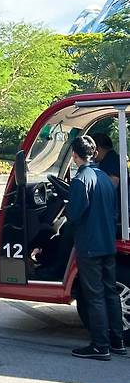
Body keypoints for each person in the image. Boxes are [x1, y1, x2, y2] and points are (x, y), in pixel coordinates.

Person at [65, 135, 125, 359]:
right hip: (108, 243)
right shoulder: (104, 178)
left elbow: (74, 215)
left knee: (94, 295)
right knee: (111, 293)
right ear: (94, 153)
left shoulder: (81, 181)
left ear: (74, 155)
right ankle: (117, 341)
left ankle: (100, 345)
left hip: (89, 245)